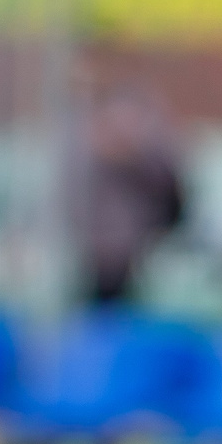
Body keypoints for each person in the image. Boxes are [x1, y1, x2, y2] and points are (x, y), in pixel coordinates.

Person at [77, 56, 185, 306]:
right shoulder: (83, 113)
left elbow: (168, 178)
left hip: (134, 246)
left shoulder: (144, 112)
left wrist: (131, 152)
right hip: (91, 245)